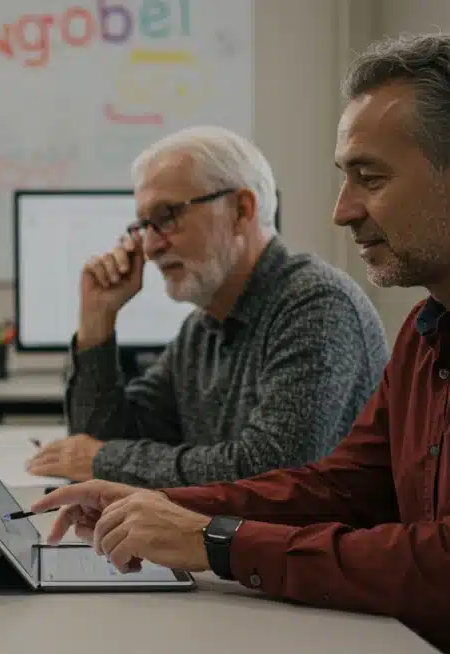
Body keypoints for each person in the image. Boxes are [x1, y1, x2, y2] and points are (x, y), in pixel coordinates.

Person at [30, 34, 450, 654]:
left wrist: (214, 539)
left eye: (370, 177)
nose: (342, 211)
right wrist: (158, 501)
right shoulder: (428, 331)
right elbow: (337, 488)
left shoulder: (319, 305)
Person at [27, 126, 388, 485]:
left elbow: (269, 473)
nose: (150, 247)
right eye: (144, 225)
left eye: (167, 216)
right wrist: (97, 321)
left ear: (241, 210)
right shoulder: (203, 327)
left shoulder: (318, 305)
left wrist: (104, 461)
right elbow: (101, 442)